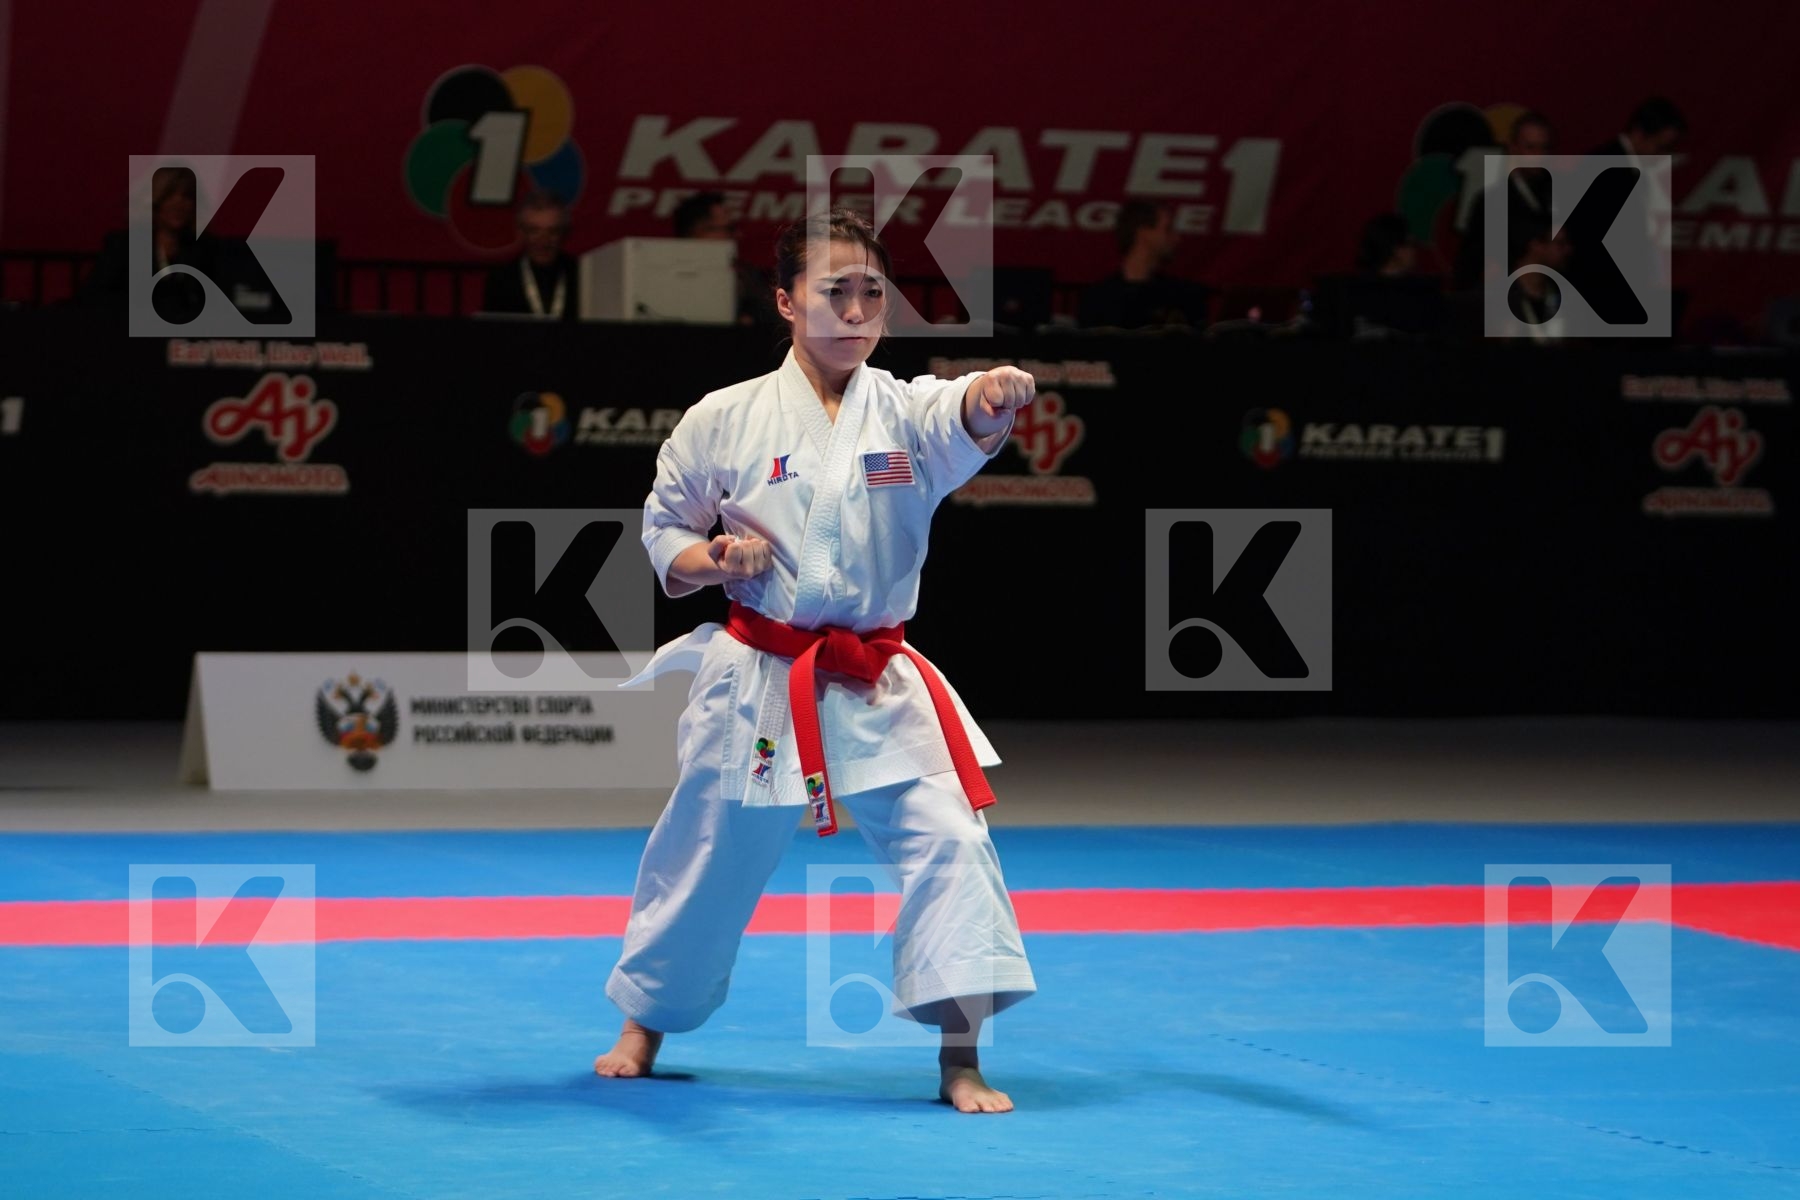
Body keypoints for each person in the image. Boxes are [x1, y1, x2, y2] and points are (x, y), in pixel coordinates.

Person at [594, 208, 1038, 1114]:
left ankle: (961, 1057)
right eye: (836, 290)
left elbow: (957, 414)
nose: (857, 307)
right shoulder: (725, 417)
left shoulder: (907, 410)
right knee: (709, 855)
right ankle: (646, 1021)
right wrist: (712, 558)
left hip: (877, 678)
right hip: (763, 678)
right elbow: (663, 530)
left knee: (953, 840)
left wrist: (986, 395)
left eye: (873, 290)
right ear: (788, 301)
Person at [1454, 111, 1555, 290]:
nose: (1539, 156)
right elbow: (1472, 266)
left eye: (1544, 148)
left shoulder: (1559, 195)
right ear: (1513, 148)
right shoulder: (1492, 201)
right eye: (1531, 148)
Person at [1077, 199, 1207, 329]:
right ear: (1143, 233)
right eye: (1168, 229)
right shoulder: (1098, 299)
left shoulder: (1185, 295)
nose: (1177, 238)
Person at [672, 189, 780, 328]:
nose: (737, 235)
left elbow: (772, 317)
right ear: (695, 232)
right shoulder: (658, 276)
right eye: (728, 228)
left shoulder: (745, 275)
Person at [481, 189, 578, 319]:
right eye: (534, 231)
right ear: (521, 232)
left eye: (553, 232)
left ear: (565, 233)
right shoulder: (502, 279)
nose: (543, 240)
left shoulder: (581, 276)